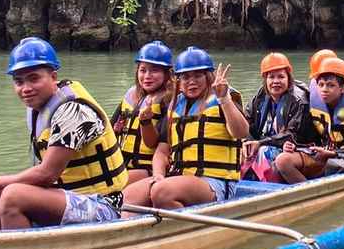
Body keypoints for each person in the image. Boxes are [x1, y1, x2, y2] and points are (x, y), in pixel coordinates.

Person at [0, 37, 127, 230]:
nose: (26, 89)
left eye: (34, 78)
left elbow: (47, 174)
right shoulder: (40, 110)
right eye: (19, 82)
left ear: (53, 77)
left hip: (103, 206)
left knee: (12, 196)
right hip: (66, 197)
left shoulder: (73, 112)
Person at [121, 46, 249, 209]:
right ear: (178, 81)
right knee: (125, 197)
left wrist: (224, 98)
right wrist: (159, 175)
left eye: (198, 76)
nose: (192, 81)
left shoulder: (222, 99)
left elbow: (241, 132)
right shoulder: (175, 106)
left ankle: (185, 231)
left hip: (215, 183)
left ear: (209, 77)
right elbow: (162, 151)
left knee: (162, 192)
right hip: (179, 177)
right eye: (186, 77)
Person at [276, 56, 344, 182]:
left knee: (333, 164)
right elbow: (304, 137)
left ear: (342, 88)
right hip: (325, 153)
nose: (324, 89)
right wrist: (292, 145)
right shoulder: (313, 105)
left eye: (331, 85)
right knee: (283, 160)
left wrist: (334, 154)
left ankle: (320, 194)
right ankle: (307, 194)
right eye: (321, 85)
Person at [111, 41, 175, 186]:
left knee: (111, 185)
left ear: (167, 73)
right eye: (143, 70)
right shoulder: (131, 94)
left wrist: (145, 121)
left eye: (154, 71)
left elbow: (153, 143)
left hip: (148, 168)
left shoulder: (169, 100)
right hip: (122, 164)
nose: (147, 76)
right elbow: (109, 129)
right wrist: (116, 131)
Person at [242, 52, 307, 182]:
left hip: (294, 147)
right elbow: (245, 123)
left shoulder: (299, 100)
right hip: (265, 144)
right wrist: (246, 142)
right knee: (243, 151)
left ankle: (269, 188)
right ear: (265, 80)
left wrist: (260, 143)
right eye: (271, 77)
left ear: (288, 79)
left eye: (281, 77)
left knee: (264, 152)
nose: (276, 81)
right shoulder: (259, 98)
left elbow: (292, 134)